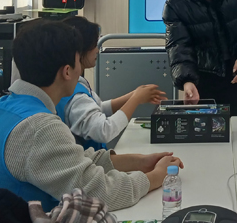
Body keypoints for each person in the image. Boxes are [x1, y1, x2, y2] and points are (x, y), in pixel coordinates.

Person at [0, 20, 183, 212]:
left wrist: (141, 162)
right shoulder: (39, 127)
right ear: (67, 71)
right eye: (77, 61)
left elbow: (76, 161)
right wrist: (156, 177)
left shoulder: (5, 107)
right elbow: (100, 194)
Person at [58, 15, 165, 149]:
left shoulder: (76, 84)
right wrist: (136, 99)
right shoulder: (76, 96)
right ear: (80, 50)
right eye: (94, 45)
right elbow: (104, 130)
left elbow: (98, 109)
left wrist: (134, 95)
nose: (97, 50)